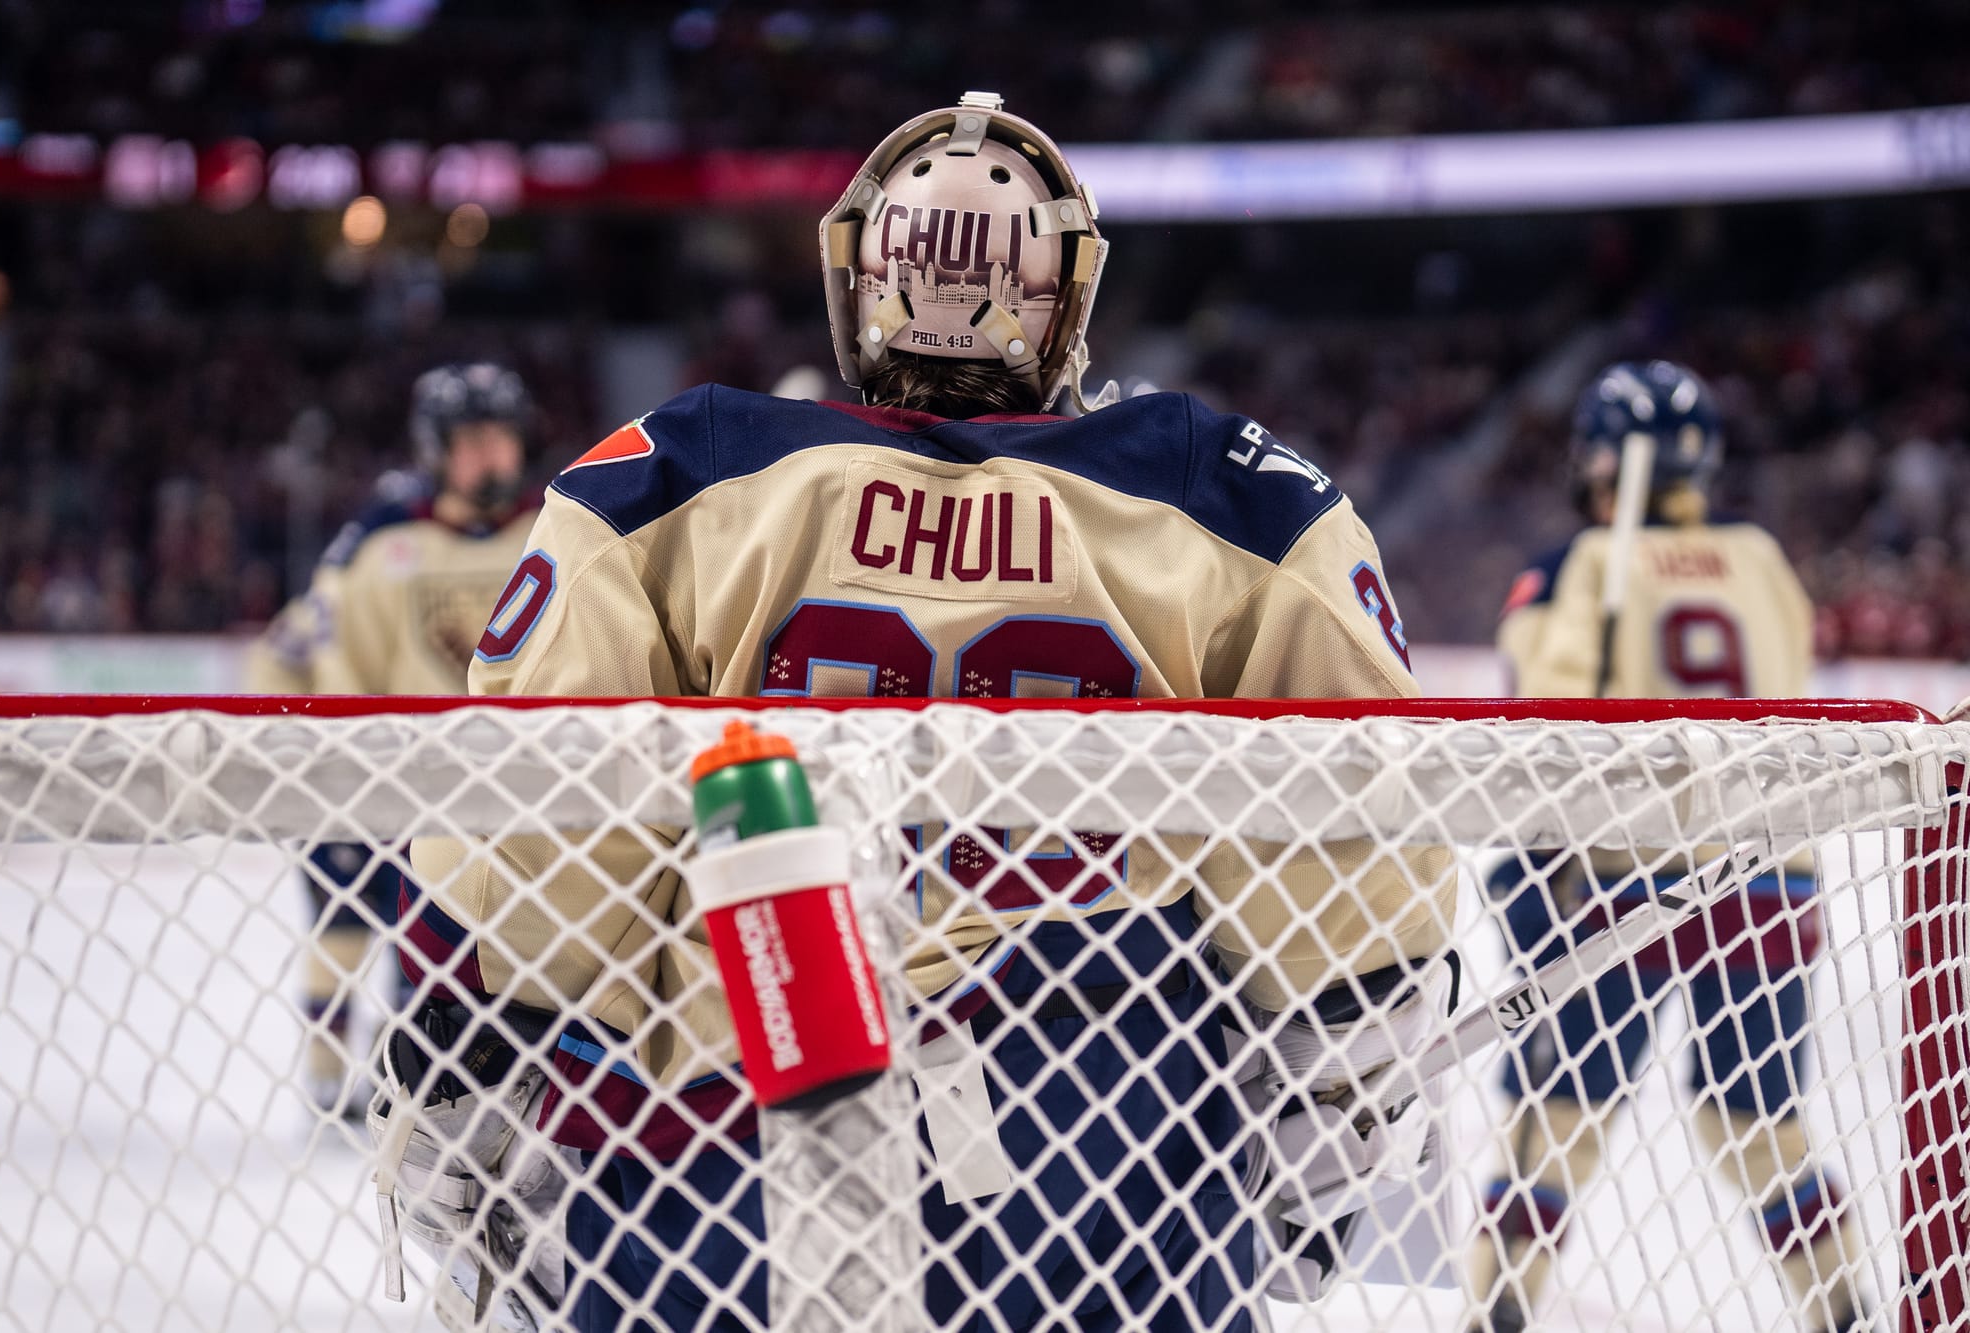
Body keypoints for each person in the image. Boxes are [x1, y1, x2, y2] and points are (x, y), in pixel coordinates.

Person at [398, 92, 1456, 1332]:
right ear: (1064, 294)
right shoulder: (1239, 504)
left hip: (733, 1142)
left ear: (862, 278)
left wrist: (477, 1121)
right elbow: (1346, 871)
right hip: (1115, 1164)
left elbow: (536, 856)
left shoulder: (673, 472)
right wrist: (1313, 1159)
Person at [1466, 360, 1865, 1333]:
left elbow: (1545, 716)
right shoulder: (1763, 561)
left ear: (1597, 459)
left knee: (1553, 1122)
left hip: (1609, 878)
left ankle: (1497, 1314)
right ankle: (1844, 1310)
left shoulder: (1576, 566)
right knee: (1757, 1125)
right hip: (1762, 872)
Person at [249, 366, 537, 1118]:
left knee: (452, 951)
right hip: (386, 777)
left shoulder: (553, 532)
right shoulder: (381, 548)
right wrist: (342, 766)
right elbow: (327, 653)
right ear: (435, 449)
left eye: (503, 439)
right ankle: (328, 1081)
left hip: (499, 790)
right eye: (475, 442)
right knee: (343, 923)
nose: (494, 458)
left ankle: (430, 1078)